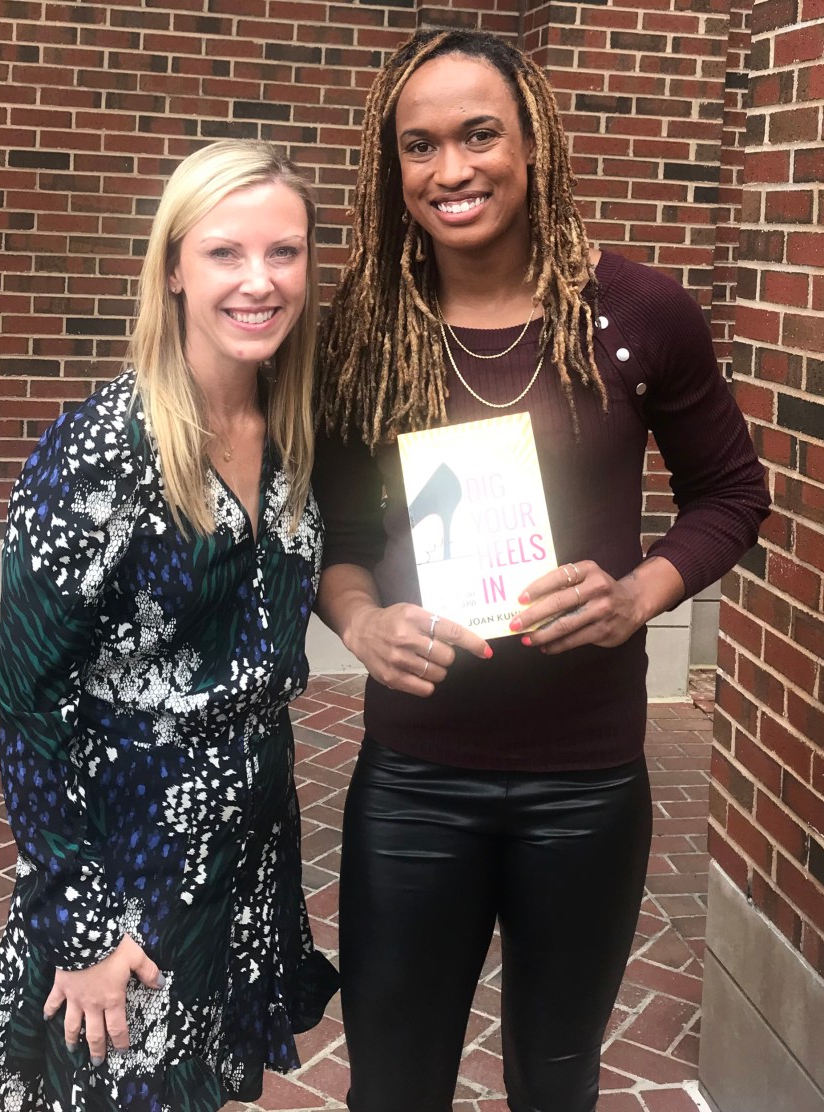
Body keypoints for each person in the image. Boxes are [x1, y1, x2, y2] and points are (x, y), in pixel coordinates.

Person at [312, 28, 769, 1112]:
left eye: (480, 135)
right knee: (393, 1082)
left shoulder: (640, 313)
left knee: (557, 1079)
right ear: (392, 165)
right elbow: (336, 533)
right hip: (416, 773)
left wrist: (638, 595)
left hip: (586, 774)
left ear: (534, 144)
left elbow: (731, 494)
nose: (451, 169)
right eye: (420, 145)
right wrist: (362, 621)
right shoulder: (367, 328)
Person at [0, 139, 339, 1112]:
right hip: (128, 853)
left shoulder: (294, 430)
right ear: (173, 268)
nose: (259, 280)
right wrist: (81, 928)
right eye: (224, 252)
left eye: (284, 252)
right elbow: (25, 693)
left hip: (248, 839)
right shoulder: (102, 451)